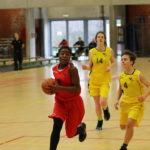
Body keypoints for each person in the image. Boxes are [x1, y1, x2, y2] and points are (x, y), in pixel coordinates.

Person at [48, 46, 87, 150]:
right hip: (60, 102)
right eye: (62, 53)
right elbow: (58, 83)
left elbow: (77, 89)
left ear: (70, 56)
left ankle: (81, 128)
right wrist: (52, 88)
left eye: (67, 54)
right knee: (56, 126)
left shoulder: (72, 70)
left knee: (70, 134)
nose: (64, 55)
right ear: (58, 55)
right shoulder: (54, 69)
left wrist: (58, 87)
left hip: (73, 103)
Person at [114, 50, 150, 150]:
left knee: (130, 123)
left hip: (136, 104)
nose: (122, 61)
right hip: (125, 103)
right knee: (123, 127)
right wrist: (117, 100)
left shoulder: (138, 75)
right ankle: (128, 133)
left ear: (131, 62)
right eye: (121, 59)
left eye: (125, 59)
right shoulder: (121, 75)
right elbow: (120, 89)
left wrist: (144, 96)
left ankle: (124, 146)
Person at [82, 31, 115, 130]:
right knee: (97, 104)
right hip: (93, 81)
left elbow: (113, 62)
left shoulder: (109, 50)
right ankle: (100, 121)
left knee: (103, 101)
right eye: (98, 37)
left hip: (104, 80)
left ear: (104, 39)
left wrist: (110, 67)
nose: (100, 38)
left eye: (102, 37)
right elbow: (90, 65)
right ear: (96, 39)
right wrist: (86, 68)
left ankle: (106, 109)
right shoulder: (92, 52)